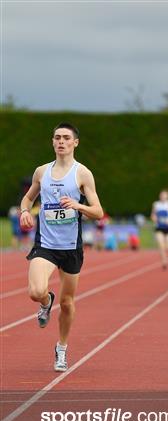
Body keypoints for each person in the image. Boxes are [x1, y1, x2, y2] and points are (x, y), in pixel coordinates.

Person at [20, 122, 103, 371]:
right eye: (57, 137)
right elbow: (28, 198)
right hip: (45, 244)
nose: (61, 142)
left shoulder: (82, 174)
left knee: (67, 303)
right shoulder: (41, 172)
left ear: (75, 143)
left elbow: (98, 211)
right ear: (52, 142)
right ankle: (46, 301)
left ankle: (62, 348)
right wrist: (25, 211)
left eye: (66, 138)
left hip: (70, 248)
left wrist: (78, 206)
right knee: (35, 291)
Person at [151, 189, 168, 269]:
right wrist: (154, 218)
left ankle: (165, 256)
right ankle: (164, 261)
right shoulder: (156, 204)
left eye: (165, 195)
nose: (163, 196)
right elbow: (153, 215)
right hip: (159, 227)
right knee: (161, 245)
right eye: (162, 195)